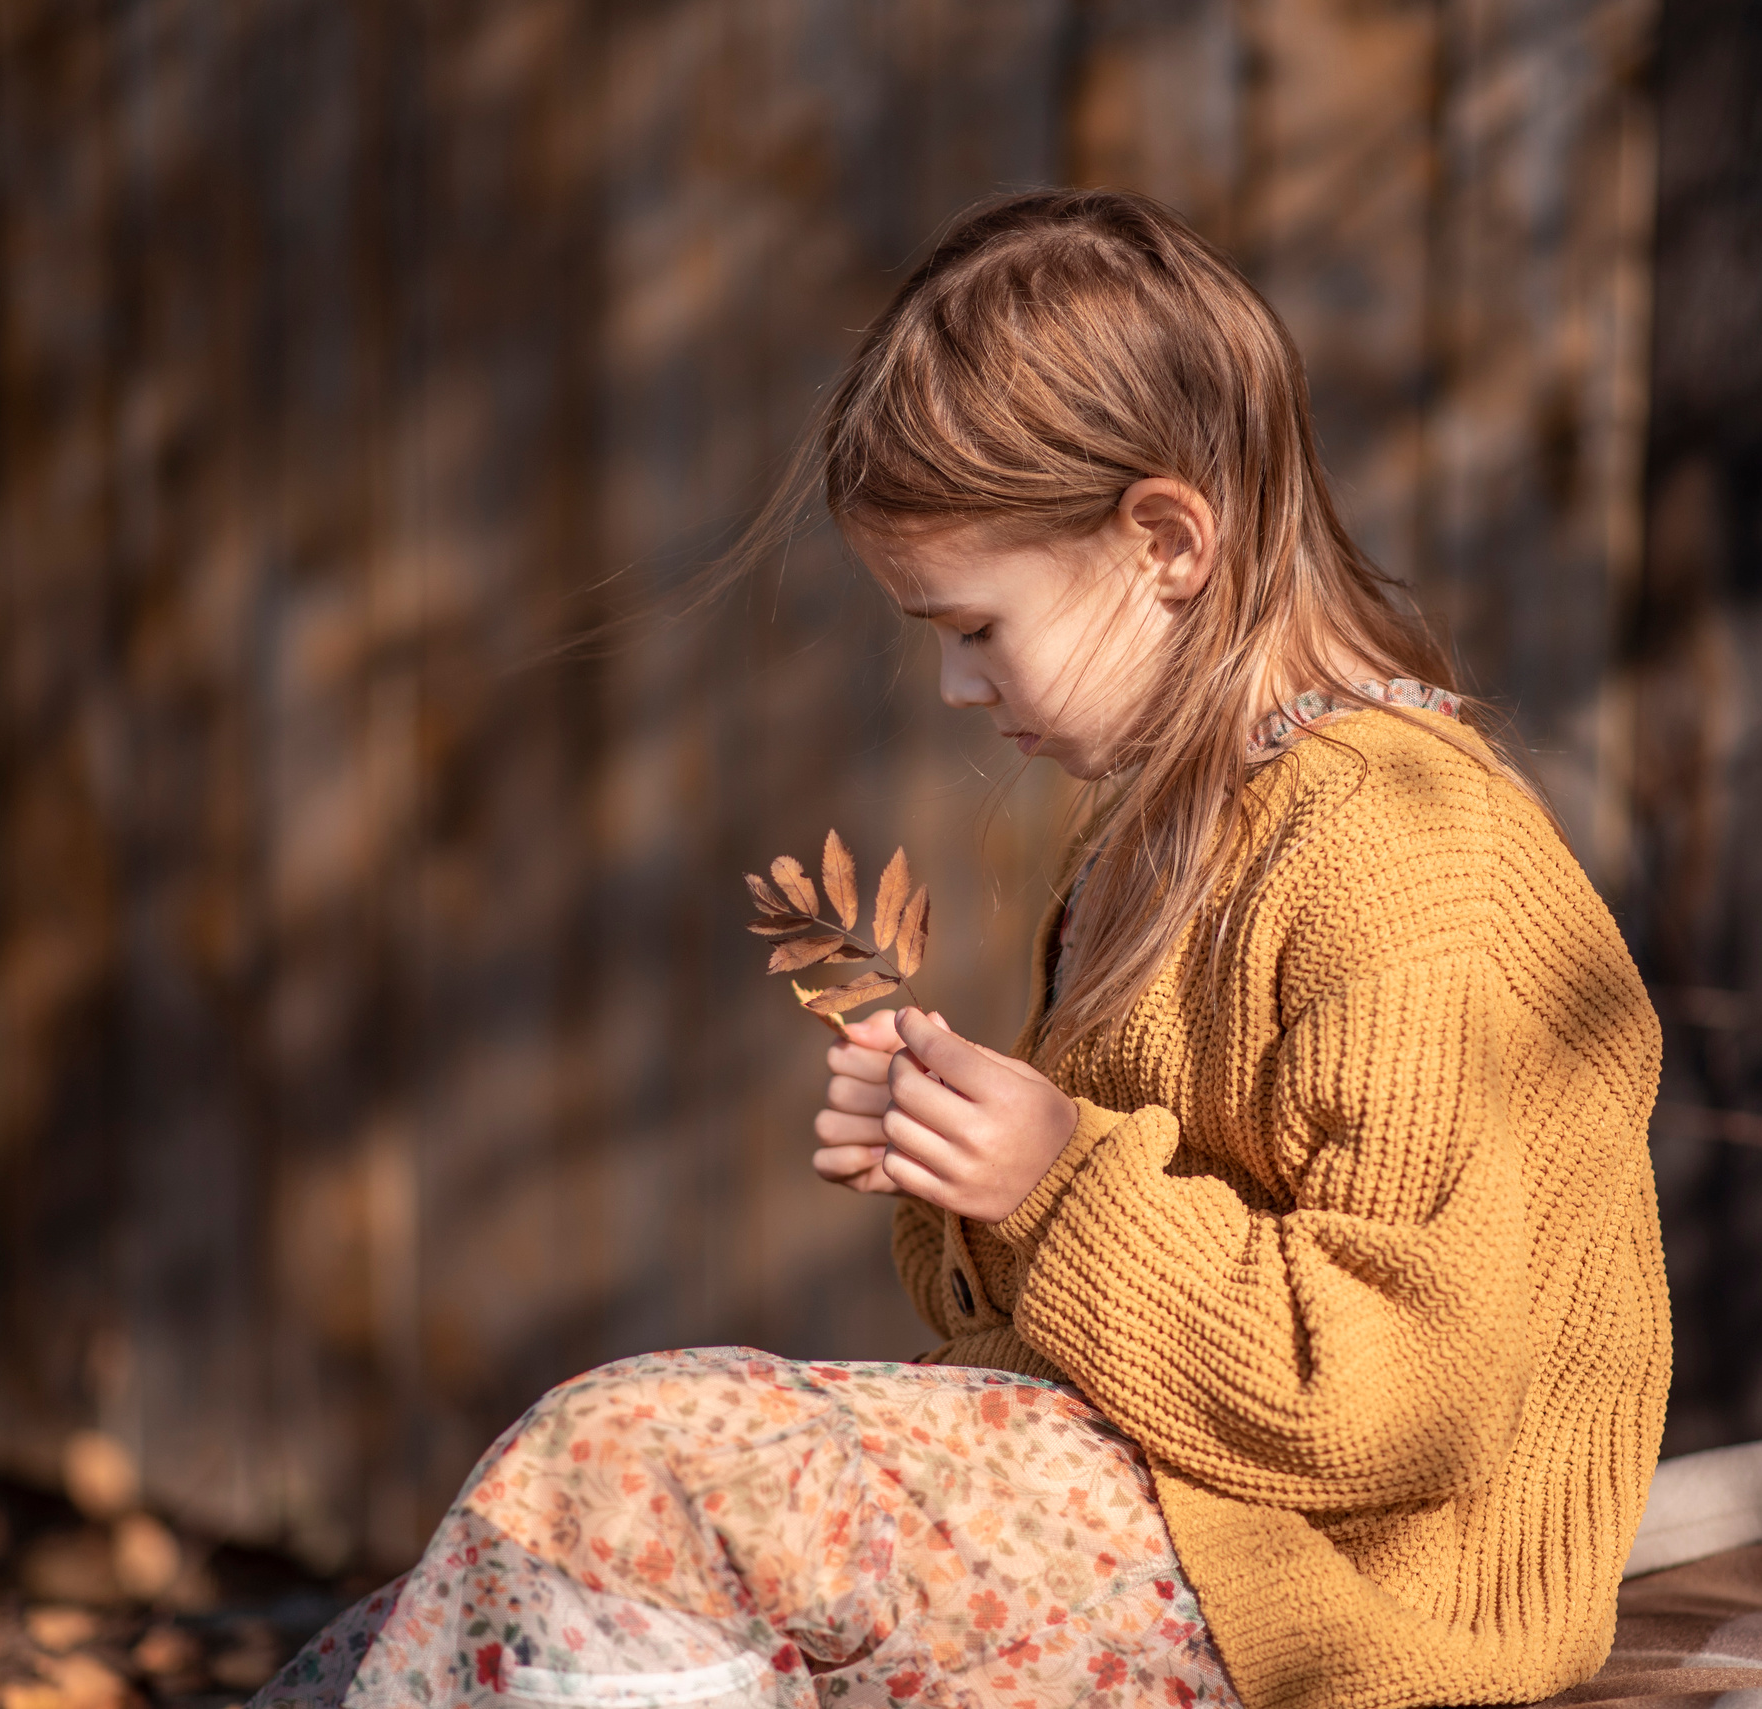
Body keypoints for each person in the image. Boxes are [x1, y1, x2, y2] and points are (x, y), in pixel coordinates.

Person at [258, 189, 1669, 1709]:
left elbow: (1395, 1397)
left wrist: (1053, 1185)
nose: (949, 686)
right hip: (1166, 1499)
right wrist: (968, 1175)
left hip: (1337, 1591)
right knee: (478, 1589)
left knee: (623, 1464)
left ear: (1165, 539)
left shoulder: (1407, 855)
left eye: (976, 627)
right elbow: (1083, 1300)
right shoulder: (1163, 834)